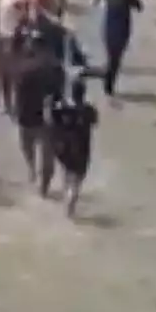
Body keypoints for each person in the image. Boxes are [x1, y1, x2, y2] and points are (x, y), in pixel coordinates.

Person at [12, 24, 63, 186]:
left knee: (27, 144)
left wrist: (15, 109)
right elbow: (60, 93)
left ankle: (31, 169)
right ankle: (43, 188)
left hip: (26, 112)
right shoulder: (56, 66)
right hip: (48, 115)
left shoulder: (23, 66)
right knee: (47, 153)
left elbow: (17, 90)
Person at [47, 79, 98, 216]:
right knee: (77, 180)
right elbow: (94, 122)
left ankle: (67, 203)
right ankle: (70, 205)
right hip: (82, 148)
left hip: (65, 147)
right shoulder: (89, 110)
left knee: (67, 173)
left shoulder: (62, 108)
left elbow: (51, 120)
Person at [96, 0, 143, 97]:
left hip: (124, 30)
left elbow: (139, 7)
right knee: (113, 59)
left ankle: (108, 83)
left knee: (116, 60)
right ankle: (107, 85)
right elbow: (113, 3)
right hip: (111, 29)